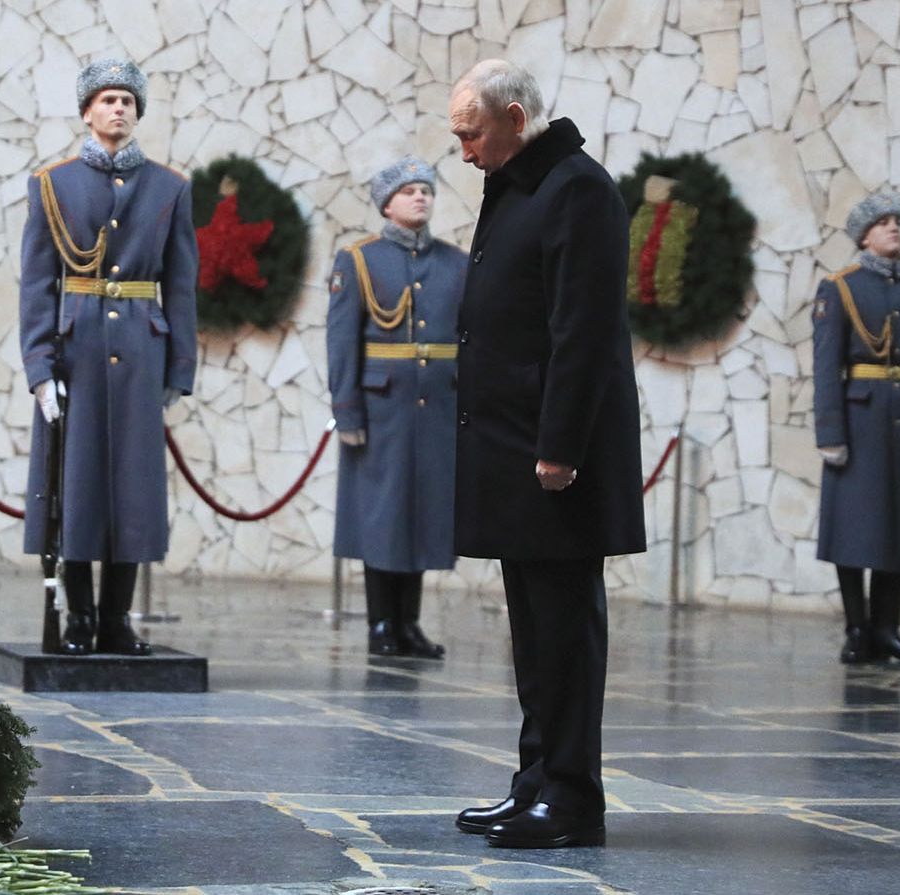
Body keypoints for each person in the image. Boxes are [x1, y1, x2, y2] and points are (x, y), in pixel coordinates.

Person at [445, 59, 644, 849]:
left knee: (564, 628)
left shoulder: (578, 188)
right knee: (533, 628)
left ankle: (571, 799)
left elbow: (583, 329)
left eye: (473, 133)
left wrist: (559, 446)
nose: (462, 150)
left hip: (554, 456)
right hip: (514, 447)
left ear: (516, 117)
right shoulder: (523, 185)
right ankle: (535, 781)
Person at [18, 58, 198, 656]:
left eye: (127, 100)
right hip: (77, 351)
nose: (118, 108)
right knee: (78, 485)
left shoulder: (170, 187)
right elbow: (38, 284)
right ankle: (79, 620)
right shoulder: (53, 185)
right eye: (107, 100)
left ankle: (117, 620)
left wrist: (179, 368)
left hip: (142, 350)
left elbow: (181, 283)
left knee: (133, 486)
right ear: (87, 111)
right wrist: (40, 369)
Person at [327, 157, 467, 660]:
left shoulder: (455, 263)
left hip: (438, 409)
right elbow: (342, 342)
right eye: (409, 192)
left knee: (425, 517)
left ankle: (409, 624)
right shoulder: (359, 260)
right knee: (382, 519)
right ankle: (381, 624)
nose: (420, 198)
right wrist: (347, 412)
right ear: (387, 203)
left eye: (426, 191)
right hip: (380, 410)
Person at [812, 191, 900, 666]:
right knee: (853, 528)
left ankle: (887, 628)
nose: (894, 228)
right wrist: (830, 431)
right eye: (884, 222)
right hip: (860, 418)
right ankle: (857, 627)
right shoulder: (841, 288)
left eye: (899, 221)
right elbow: (826, 365)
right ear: (864, 236)